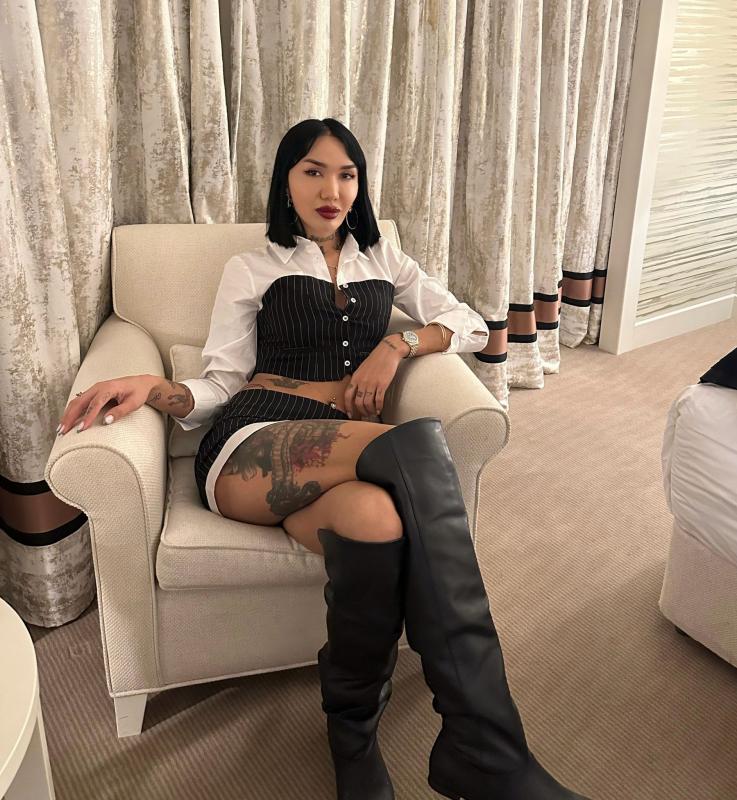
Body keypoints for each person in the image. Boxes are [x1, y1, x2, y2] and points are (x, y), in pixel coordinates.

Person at [58, 118, 590, 800]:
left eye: (346, 174)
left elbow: (466, 322)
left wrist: (396, 345)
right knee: (416, 444)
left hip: (340, 452)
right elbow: (220, 383)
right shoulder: (253, 267)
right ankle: (486, 746)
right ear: (286, 181)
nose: (331, 189)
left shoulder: (383, 260)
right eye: (312, 171)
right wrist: (158, 389)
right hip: (253, 441)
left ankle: (352, 739)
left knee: (379, 523)